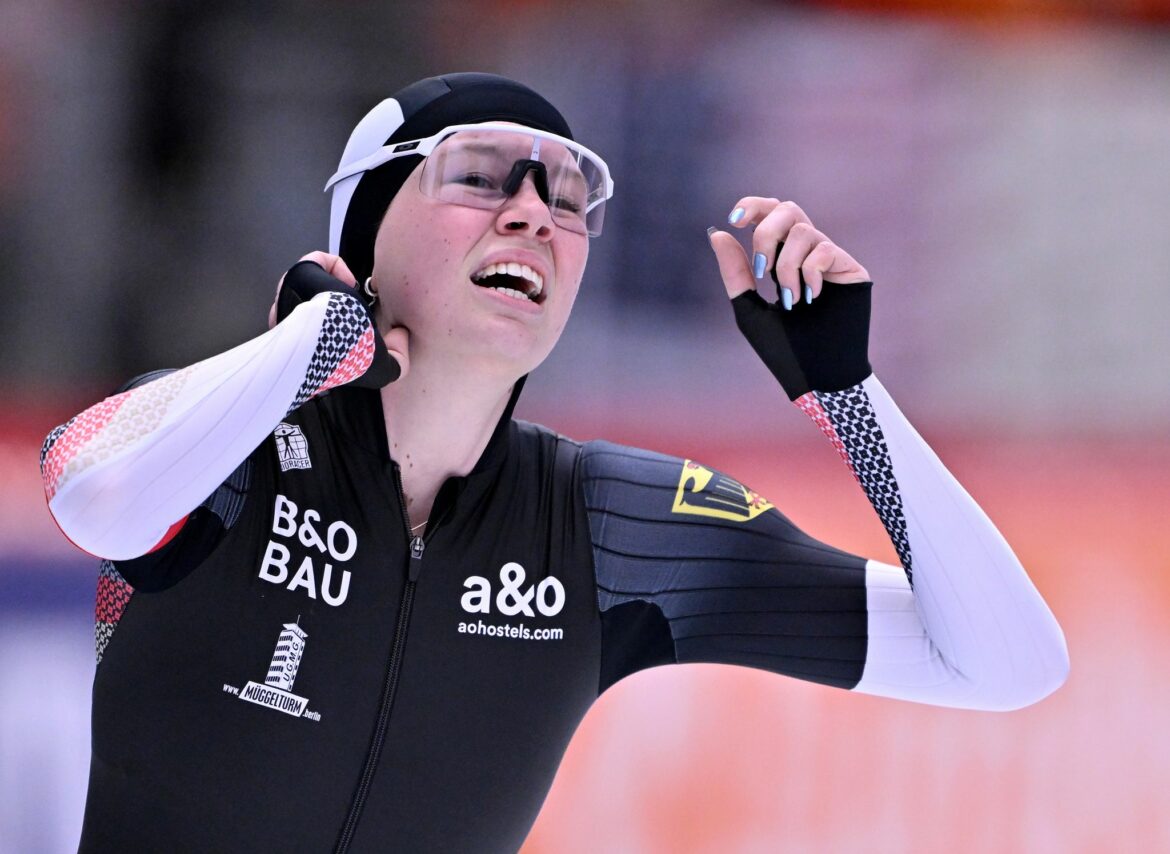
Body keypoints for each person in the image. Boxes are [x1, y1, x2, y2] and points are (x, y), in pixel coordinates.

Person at [40, 72, 1068, 853]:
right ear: (365, 222)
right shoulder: (233, 439)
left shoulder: (604, 526)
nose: (533, 210)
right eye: (479, 176)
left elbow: (1009, 664)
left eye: (569, 196)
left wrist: (847, 392)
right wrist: (309, 349)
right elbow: (93, 491)